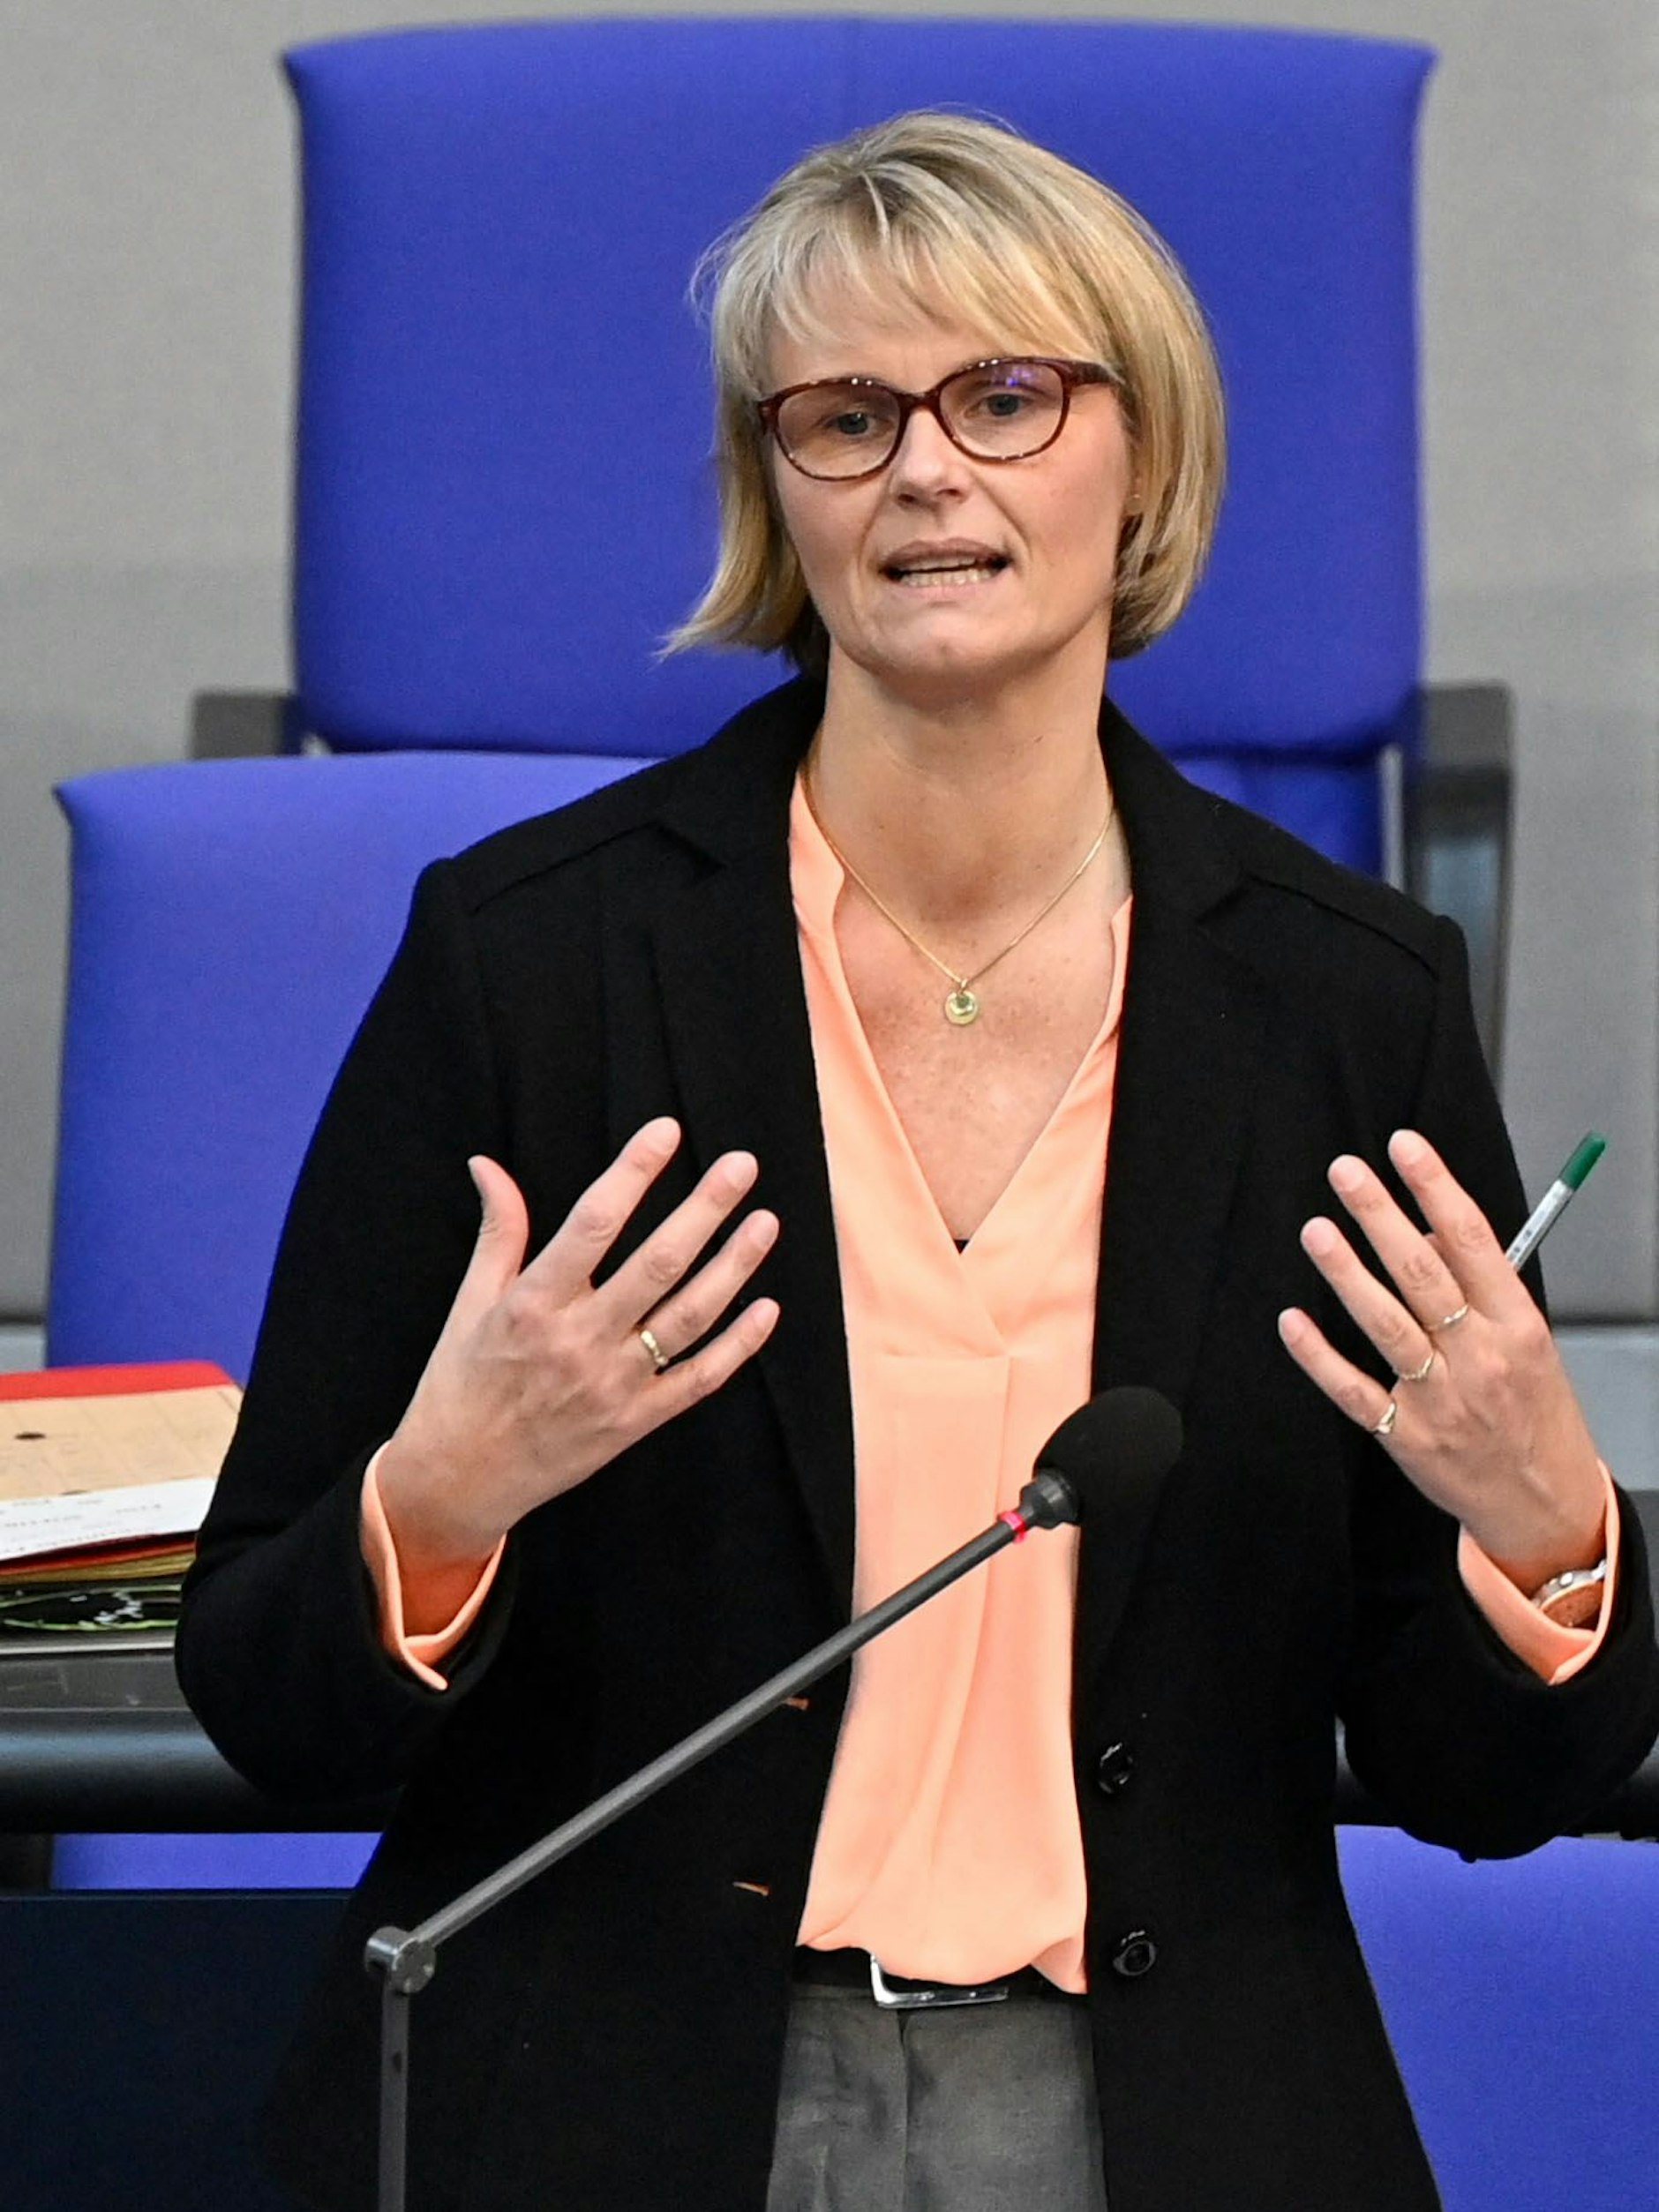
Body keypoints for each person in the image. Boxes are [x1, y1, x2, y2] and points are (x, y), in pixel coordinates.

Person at [177, 112, 1659, 2212]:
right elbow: (268, 1700)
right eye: (847, 417)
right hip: (608, 2111)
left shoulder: (1344, 1003)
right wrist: (445, 1495)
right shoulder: (532, 966)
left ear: (1142, 454)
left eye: (1005, 395)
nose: (926, 473)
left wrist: (1545, 1530)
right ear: (776, 490)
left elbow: (1478, 1781)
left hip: (1168, 2123)